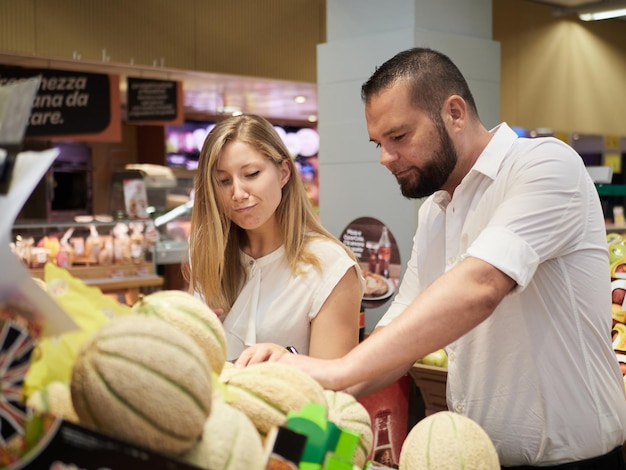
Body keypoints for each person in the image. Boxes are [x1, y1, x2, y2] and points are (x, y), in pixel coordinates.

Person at [261, 48, 626, 467]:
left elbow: (482, 285)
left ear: (454, 112)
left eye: (398, 137)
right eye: (378, 143)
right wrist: (295, 390)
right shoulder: (435, 213)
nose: (384, 157)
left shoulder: (545, 165)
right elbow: (398, 336)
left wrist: (337, 372)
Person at [186, 113, 364, 364]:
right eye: (223, 181)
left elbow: (332, 395)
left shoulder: (329, 267)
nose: (237, 193)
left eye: (251, 174)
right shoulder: (205, 251)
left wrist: (287, 365)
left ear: (283, 173)